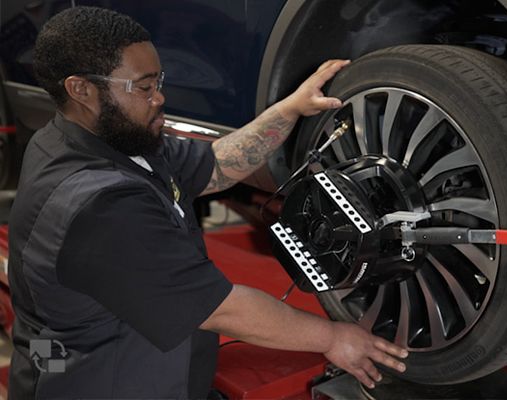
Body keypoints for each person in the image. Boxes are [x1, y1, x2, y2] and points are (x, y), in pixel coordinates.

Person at [7, 6, 408, 399]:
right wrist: (335, 337)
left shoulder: (97, 138)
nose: (159, 97)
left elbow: (216, 165)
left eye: (158, 81)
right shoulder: (98, 206)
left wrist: (288, 109)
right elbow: (222, 308)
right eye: (143, 87)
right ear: (82, 89)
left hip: (99, 359)